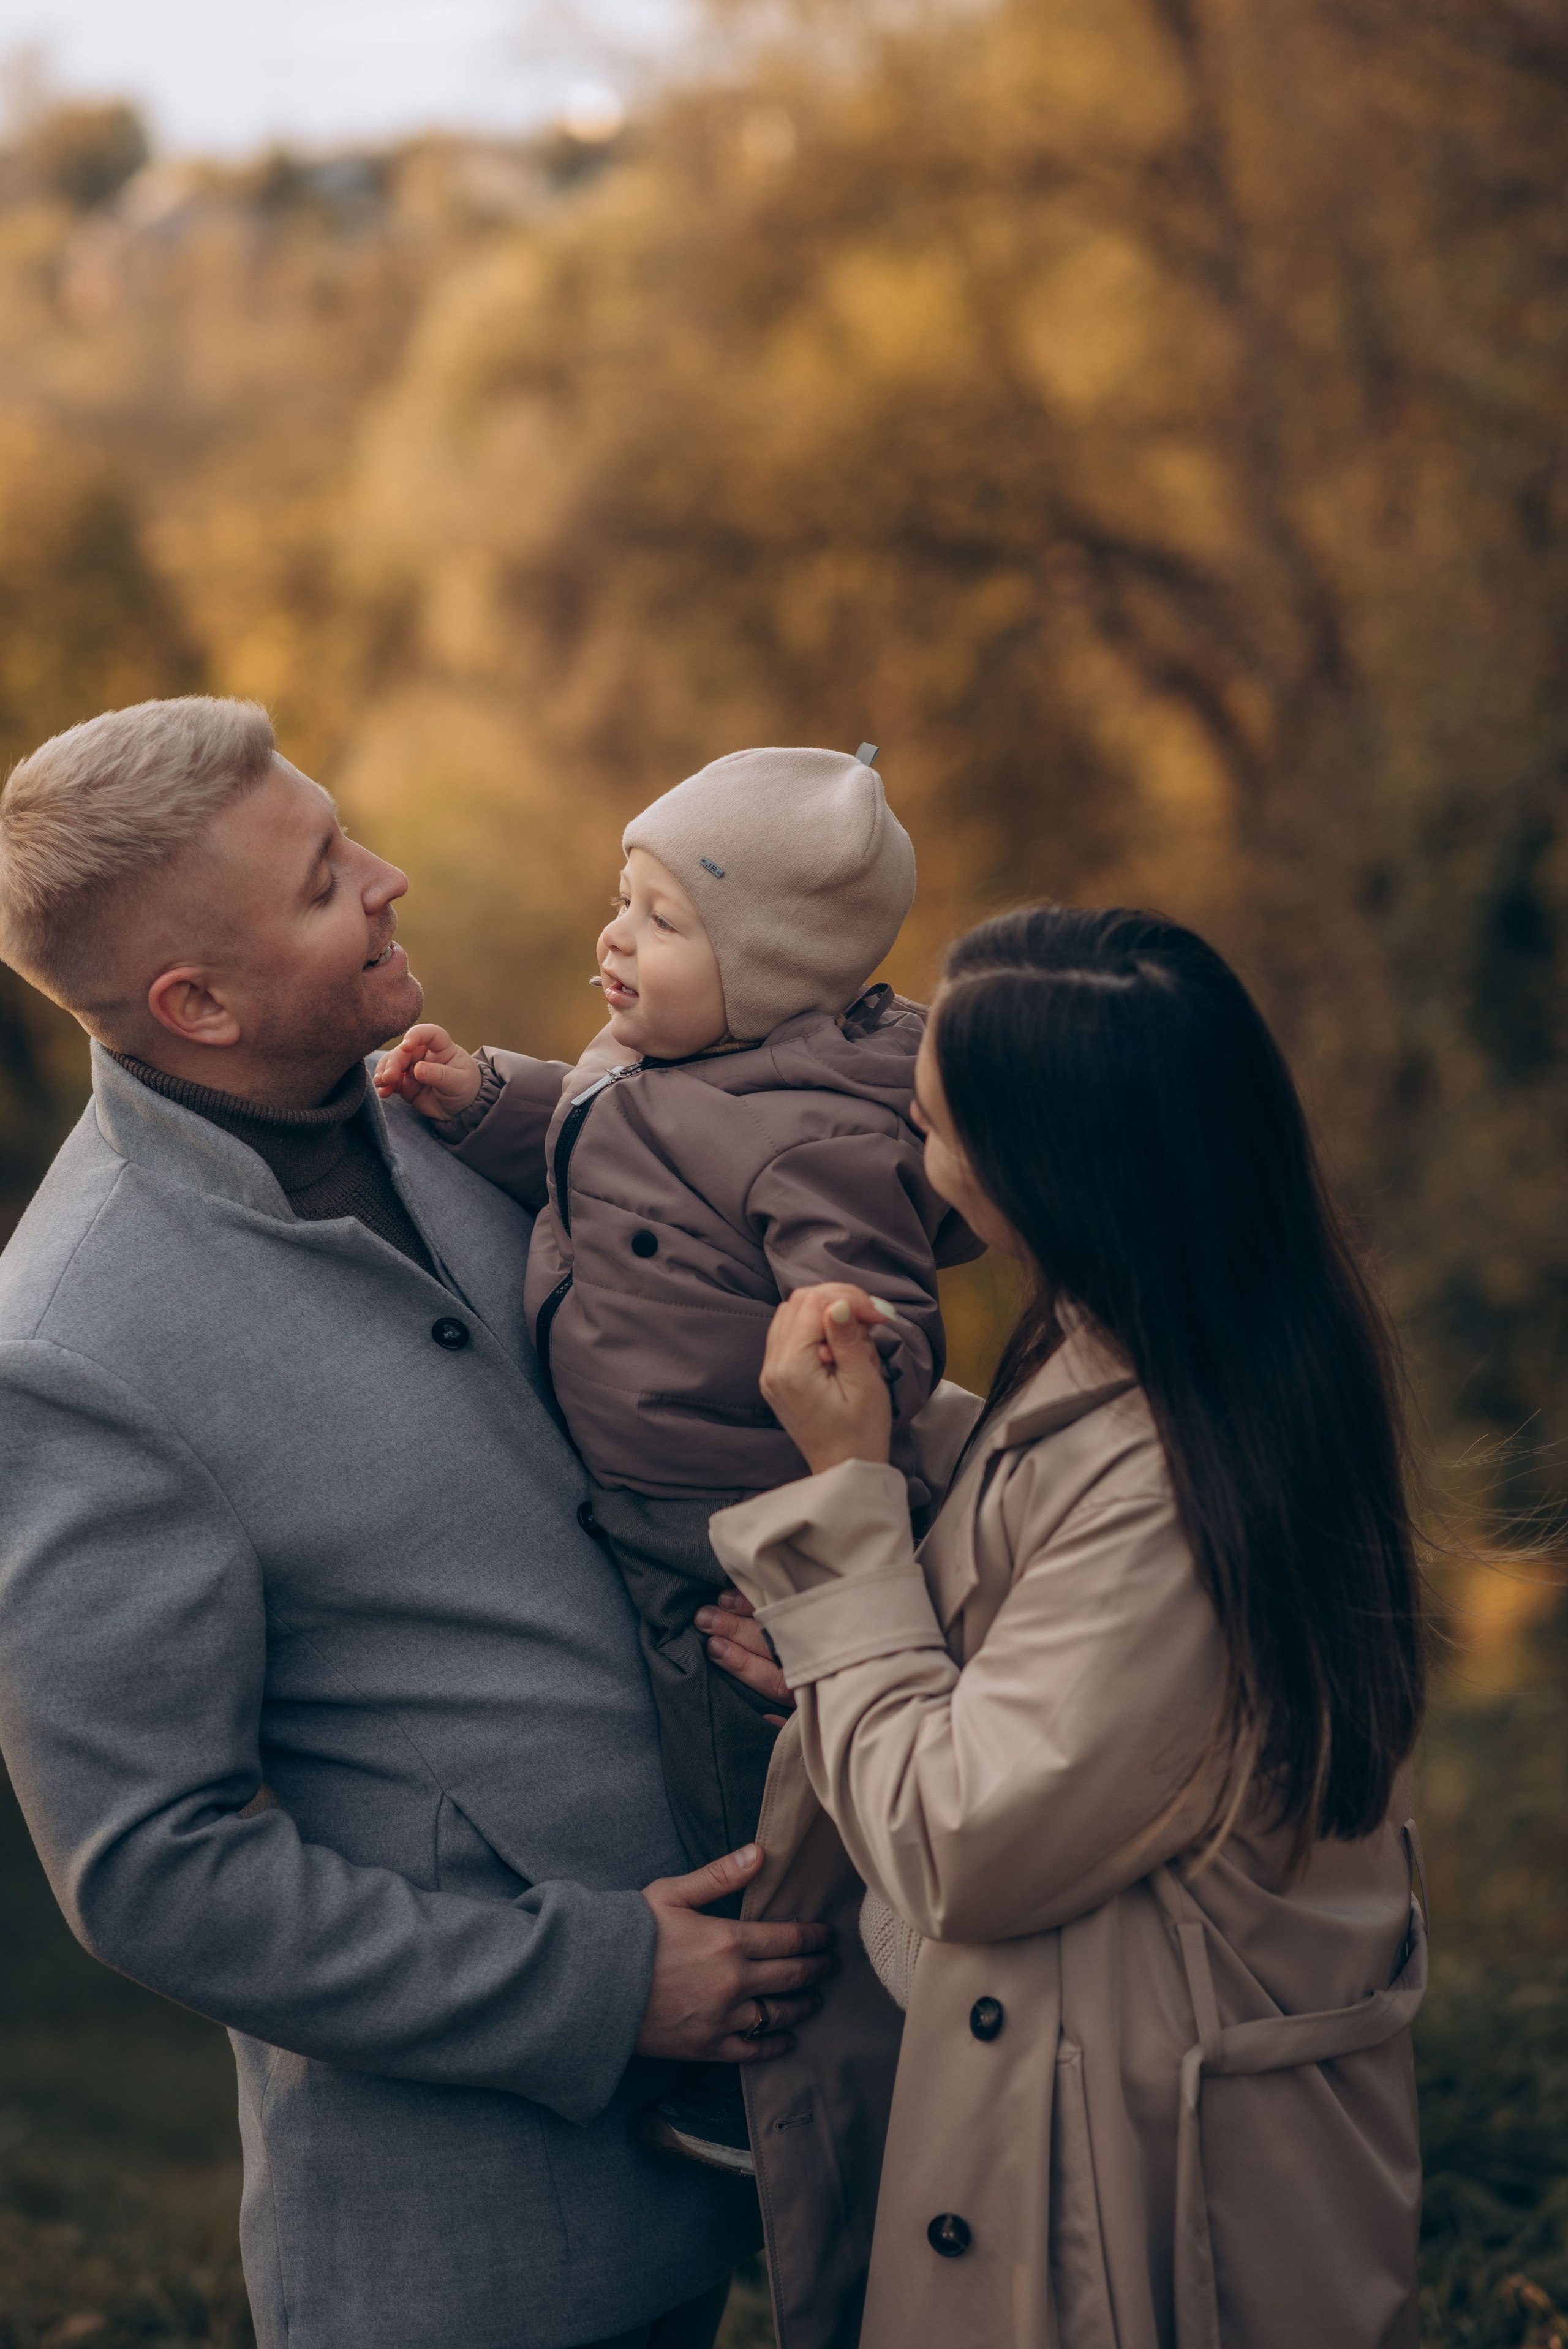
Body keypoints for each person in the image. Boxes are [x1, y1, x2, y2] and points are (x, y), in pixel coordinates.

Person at [0, 696, 835, 2349]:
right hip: (472, 2238)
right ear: (197, 1002)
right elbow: (152, 1870)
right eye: (322, 881)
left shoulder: (440, 1115)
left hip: (779, 2134)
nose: (388, 878)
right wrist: (596, 1985)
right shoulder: (68, 1347)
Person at [702, 905, 1429, 2348]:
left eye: (931, 1128)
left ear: (1048, 1168)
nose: (917, 1165)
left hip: (1117, 2196)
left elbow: (963, 1841)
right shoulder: (1206, 1342)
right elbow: (1052, 1566)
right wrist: (896, 1478)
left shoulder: (1173, 1474)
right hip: (1120, 2099)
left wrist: (849, 1513)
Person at [372, 744, 979, 2173]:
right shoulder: (654, 1065)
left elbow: (873, 1290)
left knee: (739, 1780)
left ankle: (768, 2070)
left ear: (766, 970)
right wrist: (482, 1101)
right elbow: (594, 1154)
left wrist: (854, 1346)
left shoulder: (814, 1130)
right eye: (617, 900)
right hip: (653, 1493)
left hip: (731, 1514)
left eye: (656, 918)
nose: (612, 937)